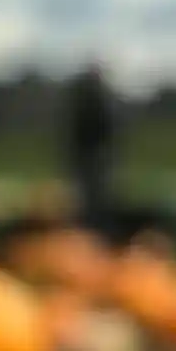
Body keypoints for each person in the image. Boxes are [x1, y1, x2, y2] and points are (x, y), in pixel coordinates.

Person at [64, 65, 121, 237]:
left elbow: (107, 131)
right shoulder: (86, 102)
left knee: (97, 195)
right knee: (85, 196)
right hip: (87, 157)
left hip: (96, 157)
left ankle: (97, 230)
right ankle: (87, 229)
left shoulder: (97, 102)